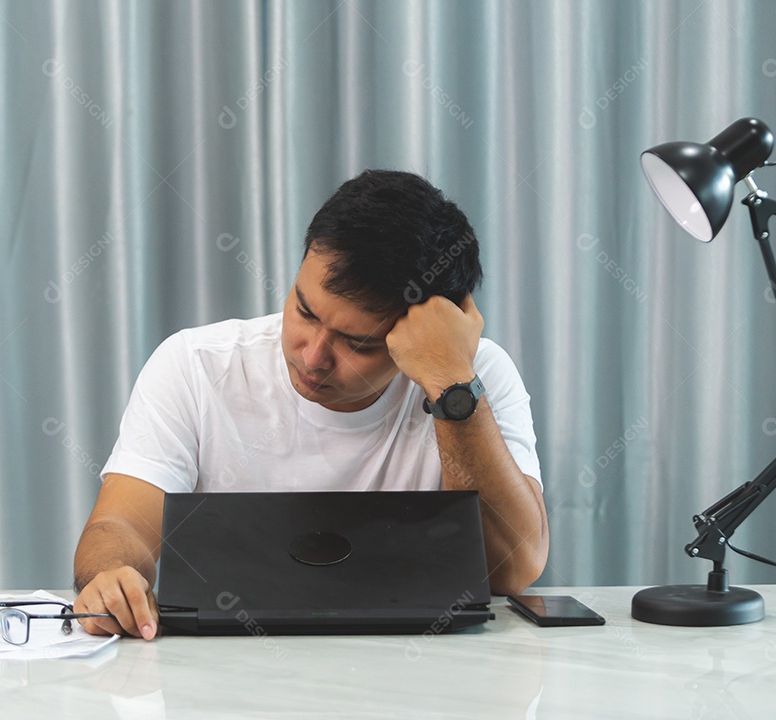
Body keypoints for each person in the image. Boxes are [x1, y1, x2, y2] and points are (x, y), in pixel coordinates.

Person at [73, 169, 549, 640]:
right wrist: (111, 576)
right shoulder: (195, 366)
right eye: (304, 310)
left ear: (422, 332)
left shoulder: (473, 380)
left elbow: (513, 569)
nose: (313, 356)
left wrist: (451, 386)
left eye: (357, 343)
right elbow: (121, 522)